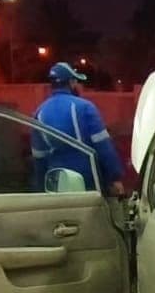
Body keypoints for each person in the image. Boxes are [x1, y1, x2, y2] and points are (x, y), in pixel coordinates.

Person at [32, 62, 125, 195]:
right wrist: (115, 177)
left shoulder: (39, 112)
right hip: (88, 181)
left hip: (57, 183)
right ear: (71, 82)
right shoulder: (85, 107)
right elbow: (103, 146)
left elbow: (39, 157)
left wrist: (41, 189)